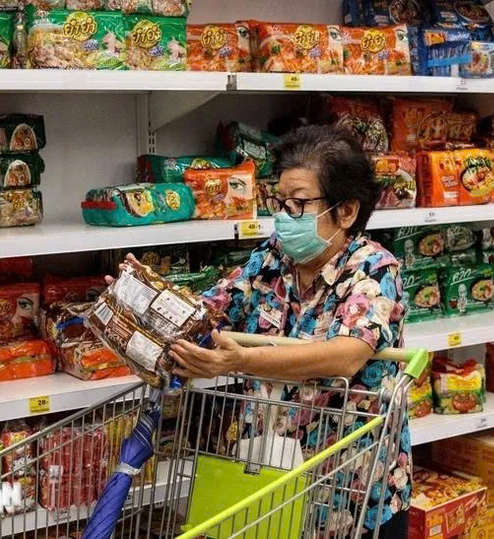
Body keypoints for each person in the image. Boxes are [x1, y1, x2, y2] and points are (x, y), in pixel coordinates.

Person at [166, 125, 410, 538]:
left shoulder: (374, 270)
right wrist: (144, 305)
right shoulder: (272, 260)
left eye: (298, 204)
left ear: (346, 211)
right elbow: (212, 308)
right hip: (269, 479)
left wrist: (241, 359)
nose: (282, 216)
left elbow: (345, 355)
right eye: (279, 202)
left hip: (349, 494)